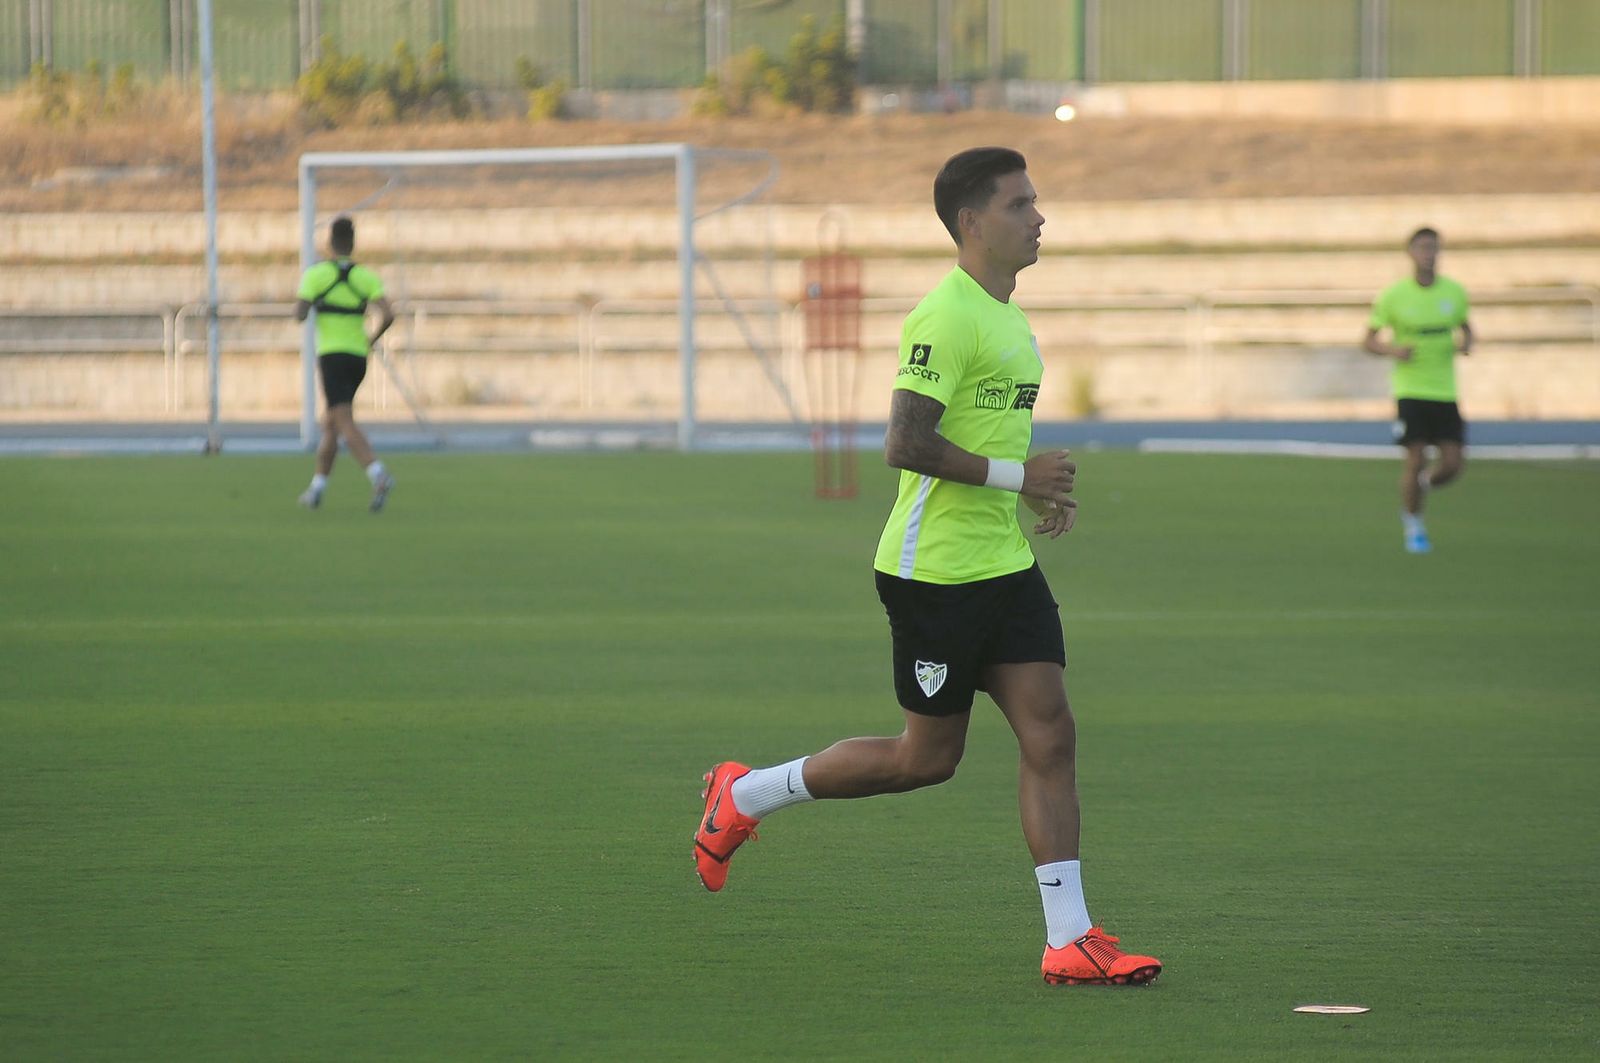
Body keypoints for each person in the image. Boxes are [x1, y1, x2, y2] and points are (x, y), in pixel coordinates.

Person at [693, 147, 1163, 987]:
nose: (1039, 217)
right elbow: (903, 445)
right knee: (926, 759)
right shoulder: (944, 315)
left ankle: (1070, 937)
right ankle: (746, 793)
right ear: (972, 222)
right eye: (1021, 204)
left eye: (1036, 201)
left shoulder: (1010, 317)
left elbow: (978, 440)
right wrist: (1024, 478)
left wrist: (1026, 496)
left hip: (1003, 563)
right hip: (934, 573)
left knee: (1051, 732)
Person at [1362, 227, 1473, 553]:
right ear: (1410, 252)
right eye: (1423, 247)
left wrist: (1466, 343)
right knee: (1416, 456)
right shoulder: (1394, 296)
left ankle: (1421, 488)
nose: (1429, 253)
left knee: (1452, 465)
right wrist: (1393, 351)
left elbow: (1466, 328)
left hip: (1445, 389)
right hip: (1410, 388)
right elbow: (1368, 340)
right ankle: (1414, 526)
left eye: (1434, 248)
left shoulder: (1454, 293)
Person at [294, 215, 397, 512]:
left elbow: (299, 314)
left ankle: (378, 474)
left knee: (342, 419)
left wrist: (314, 303)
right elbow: (388, 314)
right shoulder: (366, 277)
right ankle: (317, 489)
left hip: (332, 355)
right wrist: (371, 338)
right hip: (357, 357)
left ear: (329, 242)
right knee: (331, 424)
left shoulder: (315, 275)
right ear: (353, 243)